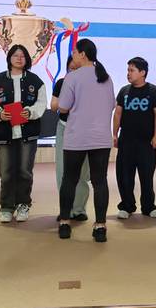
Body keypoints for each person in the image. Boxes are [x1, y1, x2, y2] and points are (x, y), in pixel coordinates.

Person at [58, 39, 115, 242]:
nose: (72, 55)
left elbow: (63, 106)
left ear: (83, 54)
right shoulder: (106, 77)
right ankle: (100, 226)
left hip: (77, 136)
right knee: (100, 181)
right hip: (101, 137)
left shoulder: (72, 77)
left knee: (69, 179)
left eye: (74, 51)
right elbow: (111, 104)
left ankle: (64, 223)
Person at [0, 44, 47, 223]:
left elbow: (41, 104)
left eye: (22, 56)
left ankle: (23, 204)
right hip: (4, 133)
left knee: (25, 171)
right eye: (15, 55)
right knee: (6, 172)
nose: (19, 58)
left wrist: (30, 112)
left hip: (28, 133)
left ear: (27, 59)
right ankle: (6, 207)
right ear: (9, 58)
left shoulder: (35, 81)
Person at [113, 57, 156, 219]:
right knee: (124, 176)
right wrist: (114, 134)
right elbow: (118, 113)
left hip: (146, 142)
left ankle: (148, 207)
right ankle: (127, 206)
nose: (128, 73)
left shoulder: (153, 91)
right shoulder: (124, 91)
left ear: (142, 72)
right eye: (128, 70)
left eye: (132, 70)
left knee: (146, 176)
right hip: (126, 141)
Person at [51, 56, 90, 221]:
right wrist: (66, 98)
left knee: (82, 171)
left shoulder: (90, 84)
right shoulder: (61, 83)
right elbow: (54, 106)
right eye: (71, 69)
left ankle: (79, 209)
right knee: (62, 170)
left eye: (77, 69)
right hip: (64, 128)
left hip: (84, 129)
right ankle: (65, 209)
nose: (73, 72)